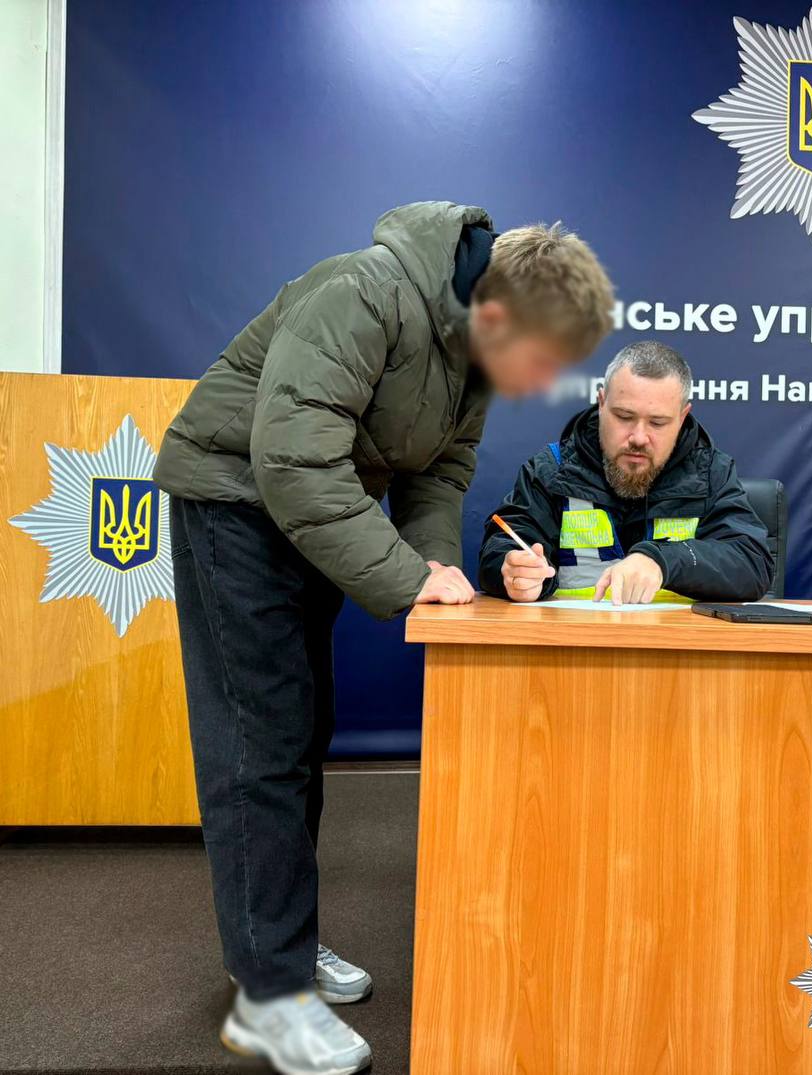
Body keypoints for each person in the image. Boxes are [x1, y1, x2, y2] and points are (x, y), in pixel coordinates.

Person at [153, 201, 613, 1075]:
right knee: (259, 742)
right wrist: (408, 576)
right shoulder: (362, 292)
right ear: (498, 313)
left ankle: (279, 942)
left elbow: (439, 476)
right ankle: (269, 993)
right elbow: (293, 458)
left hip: (309, 517)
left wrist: (433, 566)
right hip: (235, 504)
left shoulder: (471, 354)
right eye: (542, 359)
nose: (539, 383)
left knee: (303, 732)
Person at [480, 340, 773, 605]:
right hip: (572, 642)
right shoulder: (552, 470)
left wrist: (664, 560)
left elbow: (752, 564)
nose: (639, 437)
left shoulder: (711, 473)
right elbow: (501, 548)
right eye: (624, 417)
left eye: (657, 423)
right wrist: (515, 573)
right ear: (602, 402)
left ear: (682, 417)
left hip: (679, 644)